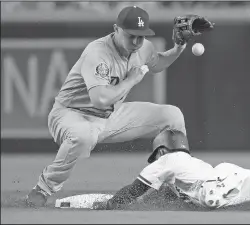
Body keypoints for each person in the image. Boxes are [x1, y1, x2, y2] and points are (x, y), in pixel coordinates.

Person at [25, 6, 213, 207]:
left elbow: (157, 63)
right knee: (83, 136)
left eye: (140, 37)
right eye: (131, 36)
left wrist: (178, 47)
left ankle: (175, 185)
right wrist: (131, 80)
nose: (136, 42)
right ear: (116, 29)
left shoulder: (143, 47)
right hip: (71, 114)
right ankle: (43, 188)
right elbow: (99, 99)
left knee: (171, 116)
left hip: (109, 117)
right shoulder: (98, 53)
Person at [91, 138, 250, 210]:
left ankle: (214, 193)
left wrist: (110, 204)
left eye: (154, 155)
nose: (153, 161)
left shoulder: (166, 160)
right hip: (228, 175)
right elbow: (156, 199)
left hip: (215, 183)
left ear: (161, 150)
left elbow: (136, 189)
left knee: (208, 198)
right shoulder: (182, 169)